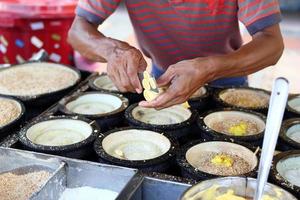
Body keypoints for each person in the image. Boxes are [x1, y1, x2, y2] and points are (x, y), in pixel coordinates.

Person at [68, 0, 284, 109]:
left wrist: (209, 68)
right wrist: (113, 51)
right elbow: (78, 30)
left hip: (227, 80)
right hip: (163, 79)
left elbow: (272, 43)